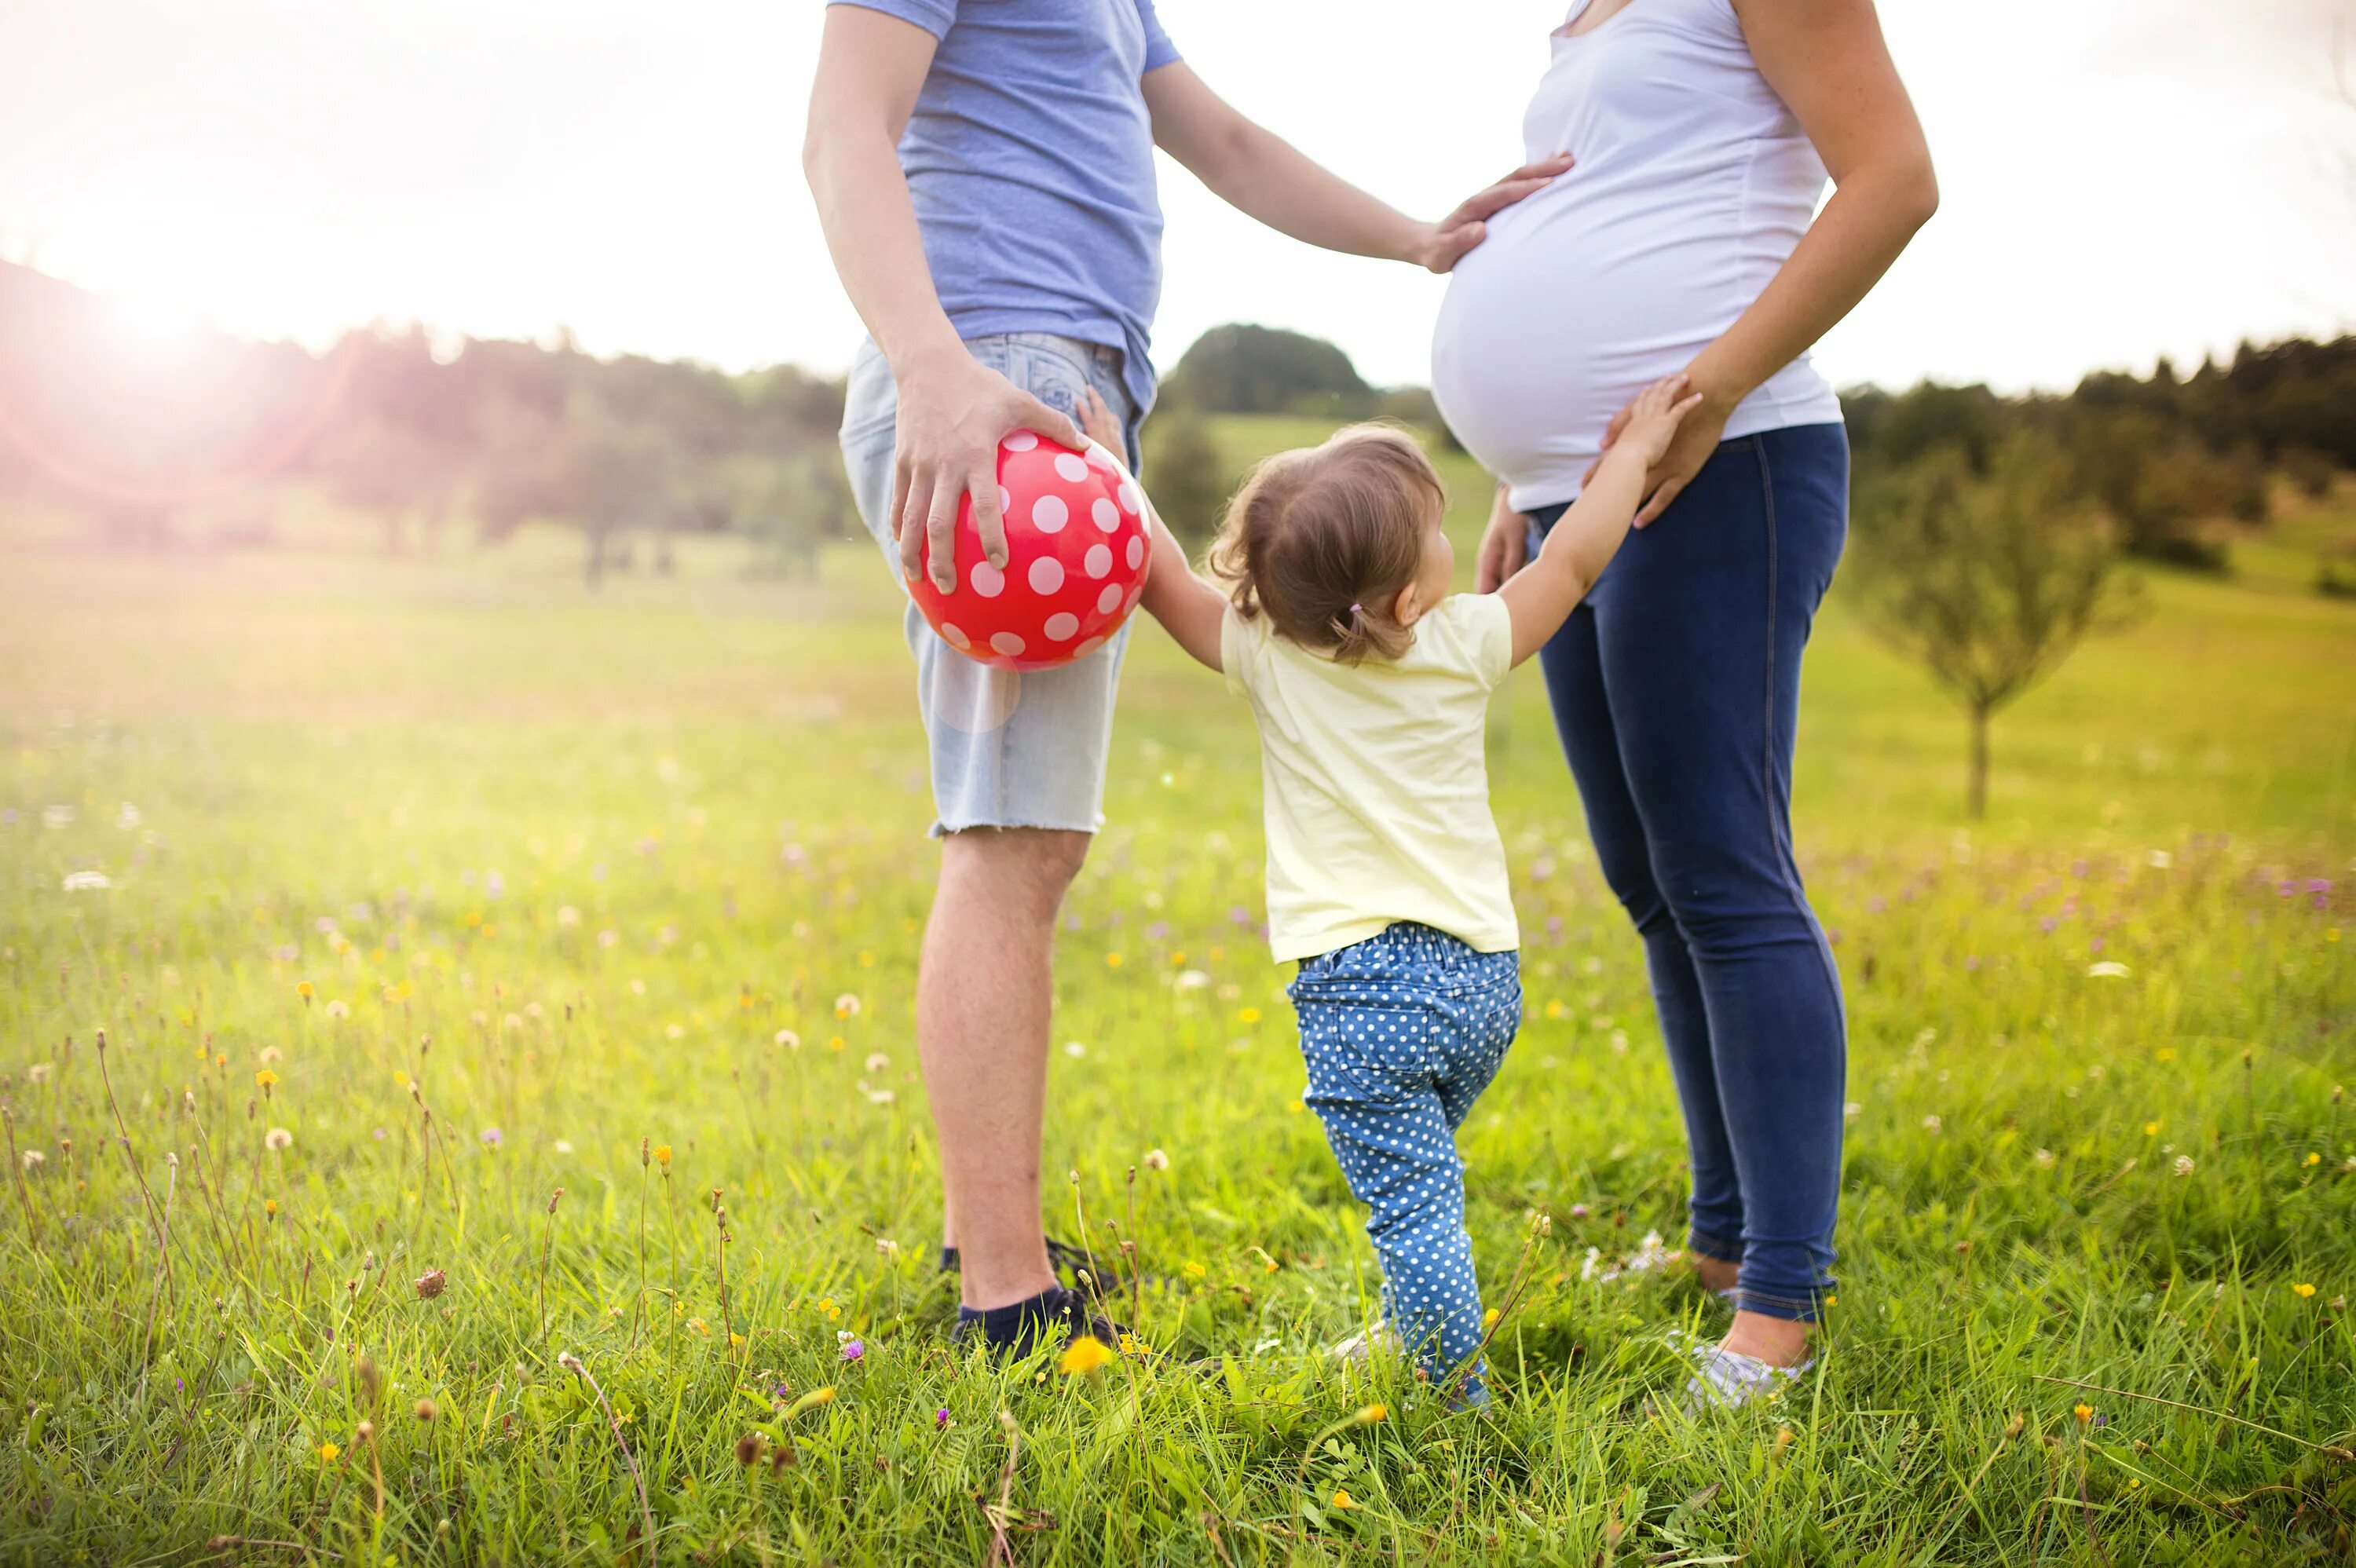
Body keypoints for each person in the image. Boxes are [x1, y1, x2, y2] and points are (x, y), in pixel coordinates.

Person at [803, 0, 1571, 1355]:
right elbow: (841, 129)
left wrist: (1418, 238)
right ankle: (1003, 1293)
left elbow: (1224, 139)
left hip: (1051, 385)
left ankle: (995, 1245)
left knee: (1024, 832)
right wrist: (935, 370)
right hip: (995, 381)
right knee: (1011, 834)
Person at [1430, 0, 1937, 1405]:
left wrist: (1711, 391)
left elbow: (1896, 178)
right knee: (1652, 881)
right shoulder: (1583, 15)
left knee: (1724, 869)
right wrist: (1519, 476)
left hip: (1730, 463)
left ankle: (1781, 1302)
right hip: (1577, 500)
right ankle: (1720, 1249)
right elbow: (1614, 236)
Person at [1114, 375, 1703, 1402]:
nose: (1447, 543)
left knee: (1414, 1197)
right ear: (1403, 597)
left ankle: (1452, 1394)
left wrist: (1112, 471)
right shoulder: (1463, 643)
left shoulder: (1263, 653)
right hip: (1482, 984)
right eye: (1435, 531)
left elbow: (1162, 579)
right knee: (1420, 1180)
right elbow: (1572, 557)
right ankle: (1415, 1317)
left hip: (1360, 992)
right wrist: (1634, 453)